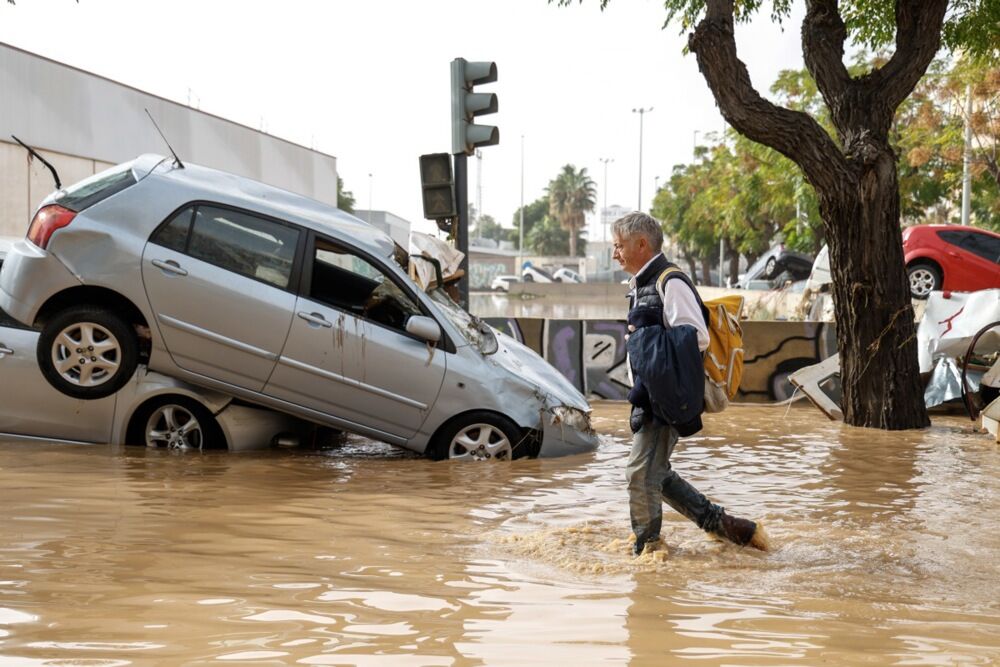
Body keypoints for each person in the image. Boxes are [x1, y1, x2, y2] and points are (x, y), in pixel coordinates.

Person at [612, 211, 767, 556]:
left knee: (639, 473)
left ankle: (648, 550)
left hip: (664, 397)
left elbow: (694, 336)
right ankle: (730, 529)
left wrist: (644, 341)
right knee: (656, 473)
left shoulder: (671, 281)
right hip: (650, 395)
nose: (615, 253)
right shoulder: (643, 284)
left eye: (619, 246)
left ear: (642, 243)